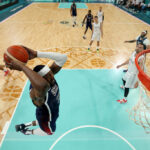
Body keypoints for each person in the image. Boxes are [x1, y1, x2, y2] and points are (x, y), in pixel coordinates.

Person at [5, 46, 67, 135]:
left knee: (46, 120)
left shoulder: (47, 78)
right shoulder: (37, 93)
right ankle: (28, 132)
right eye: (49, 75)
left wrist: (37, 54)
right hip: (45, 117)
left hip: (51, 111)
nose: (52, 76)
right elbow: (43, 86)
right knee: (50, 132)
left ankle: (25, 125)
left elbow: (63, 58)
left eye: (51, 73)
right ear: (43, 78)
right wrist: (21, 66)